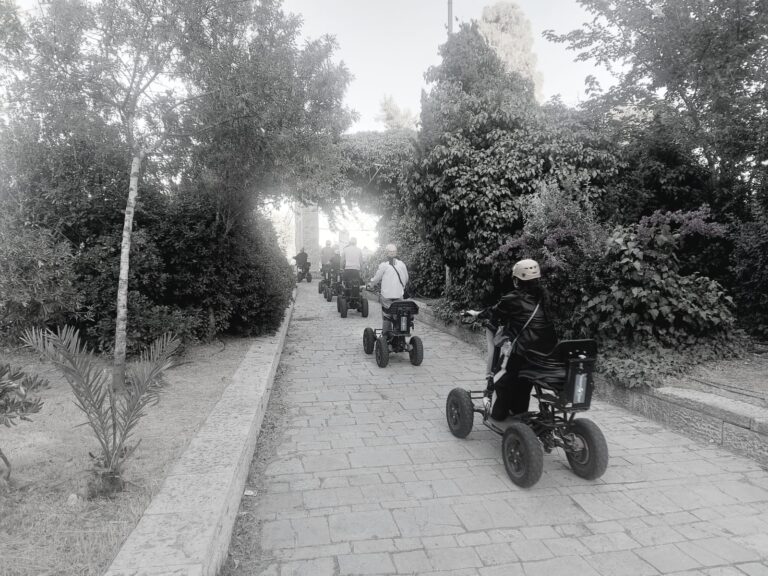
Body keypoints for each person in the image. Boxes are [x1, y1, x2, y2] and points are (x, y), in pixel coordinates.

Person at [476, 259, 557, 421]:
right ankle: (518, 411)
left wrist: (477, 314)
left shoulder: (512, 299)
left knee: (500, 379)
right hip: (545, 355)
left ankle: (499, 414)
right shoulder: (544, 297)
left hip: (522, 353)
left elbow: (494, 313)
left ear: (517, 280)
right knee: (523, 382)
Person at [369, 244, 409, 334]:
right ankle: (397, 332)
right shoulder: (402, 264)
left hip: (386, 296)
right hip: (399, 295)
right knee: (398, 313)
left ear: (387, 253)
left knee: (386, 314)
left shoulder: (384, 265)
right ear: (396, 253)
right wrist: (401, 287)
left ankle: (386, 334)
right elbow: (406, 278)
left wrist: (370, 284)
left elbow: (376, 279)